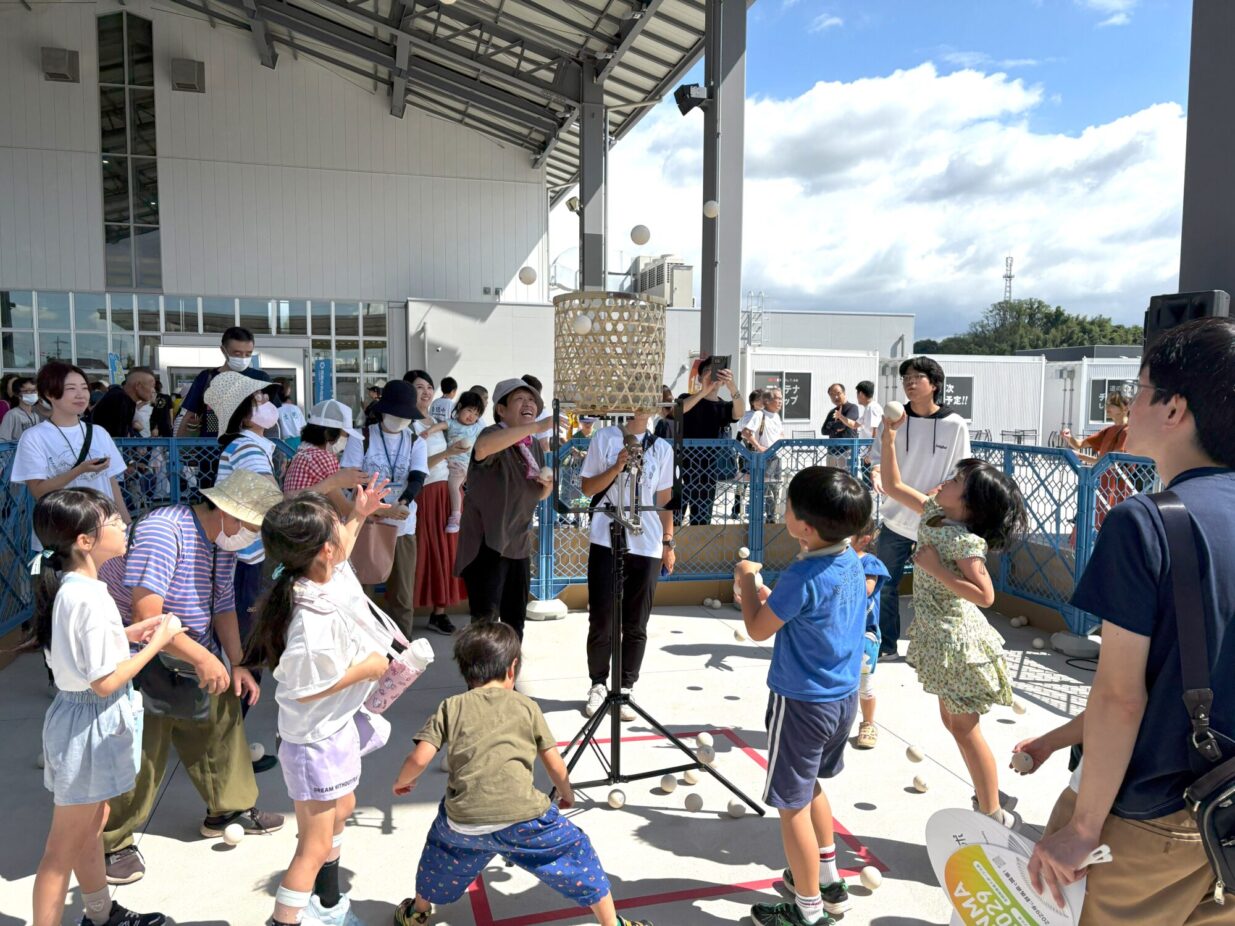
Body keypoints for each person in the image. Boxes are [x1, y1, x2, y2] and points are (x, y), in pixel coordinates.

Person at [1029, 318, 1235, 923]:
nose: (1129, 408)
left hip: (1154, 819)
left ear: (1174, 408)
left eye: (1138, 390)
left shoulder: (1147, 520)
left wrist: (1083, 827)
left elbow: (1121, 696)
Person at [390, 622, 653, 926]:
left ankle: (417, 913)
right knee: (576, 852)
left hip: (463, 823)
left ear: (465, 672)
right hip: (525, 822)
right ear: (513, 668)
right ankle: (612, 924)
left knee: (440, 851)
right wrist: (566, 794)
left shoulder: (451, 706)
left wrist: (403, 782)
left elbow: (419, 757)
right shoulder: (527, 706)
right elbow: (554, 763)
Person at [99, 470, 286, 885]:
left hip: (190, 643)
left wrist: (236, 662)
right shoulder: (164, 532)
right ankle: (113, 841)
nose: (256, 537)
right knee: (141, 750)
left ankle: (228, 810)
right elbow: (147, 616)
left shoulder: (223, 542)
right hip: (140, 652)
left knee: (221, 721)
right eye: (254, 526)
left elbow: (222, 606)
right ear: (230, 514)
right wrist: (203, 658)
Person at [30, 488, 183, 926]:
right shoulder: (90, 598)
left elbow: (80, 654)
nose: (122, 524)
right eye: (112, 521)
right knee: (60, 851)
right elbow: (105, 682)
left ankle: (100, 914)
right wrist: (158, 641)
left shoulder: (74, 588)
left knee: (92, 824)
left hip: (80, 720)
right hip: (89, 726)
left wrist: (129, 633)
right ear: (84, 541)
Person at [244, 486, 393, 926]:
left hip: (333, 729)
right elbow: (302, 689)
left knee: (342, 810)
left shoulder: (325, 573)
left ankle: (327, 901)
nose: (344, 534)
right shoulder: (312, 619)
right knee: (314, 845)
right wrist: (365, 670)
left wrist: (360, 514)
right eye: (337, 527)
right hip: (314, 743)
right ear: (324, 549)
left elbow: (344, 545)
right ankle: (287, 919)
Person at [733, 466, 872, 925]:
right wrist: (769, 595)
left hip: (801, 704)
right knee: (810, 786)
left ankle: (808, 911)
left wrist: (747, 582)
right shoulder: (851, 561)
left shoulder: (803, 573)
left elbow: (758, 629)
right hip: (841, 700)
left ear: (806, 528)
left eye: (789, 506)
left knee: (790, 806)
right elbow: (811, 612)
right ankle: (828, 881)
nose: (785, 510)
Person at [879, 414, 1027, 825]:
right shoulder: (933, 513)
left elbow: (985, 595)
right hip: (938, 633)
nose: (947, 480)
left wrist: (936, 570)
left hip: (957, 641)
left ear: (970, 505)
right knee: (954, 723)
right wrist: (888, 438)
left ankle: (993, 813)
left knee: (964, 728)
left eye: (957, 481)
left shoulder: (962, 540)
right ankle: (989, 793)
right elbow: (893, 486)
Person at [868, 357, 971, 659]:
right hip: (895, 519)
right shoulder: (893, 421)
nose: (909, 382)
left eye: (917, 377)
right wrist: (876, 473)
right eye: (906, 378)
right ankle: (886, 645)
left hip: (936, 520)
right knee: (886, 585)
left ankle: (931, 649)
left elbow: (961, 471)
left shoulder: (955, 424)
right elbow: (876, 459)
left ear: (935, 384)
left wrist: (935, 494)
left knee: (936, 588)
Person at [579, 408, 675, 721]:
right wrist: (617, 465)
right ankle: (598, 683)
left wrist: (668, 542)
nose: (643, 406)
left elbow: (664, 499)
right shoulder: (605, 438)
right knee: (602, 617)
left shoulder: (662, 447)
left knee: (637, 621)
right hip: (607, 538)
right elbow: (588, 488)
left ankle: (626, 687)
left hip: (647, 542)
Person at [454, 378, 553, 641]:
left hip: (518, 543)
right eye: (520, 399)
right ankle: (481, 669)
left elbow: (538, 495)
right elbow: (483, 449)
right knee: (485, 625)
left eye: (532, 400)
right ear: (501, 409)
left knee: (515, 621)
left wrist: (547, 486)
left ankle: (510, 668)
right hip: (487, 543)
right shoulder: (491, 435)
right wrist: (538, 426)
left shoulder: (532, 446)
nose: (528, 404)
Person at [14, 362, 131, 550]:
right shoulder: (34, 437)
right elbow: (38, 491)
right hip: (61, 536)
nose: (81, 394)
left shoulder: (99, 433)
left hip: (105, 534)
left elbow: (112, 484)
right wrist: (79, 470)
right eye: (71, 388)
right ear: (50, 394)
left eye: (84, 388)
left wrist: (127, 525)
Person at [208, 372, 283, 660]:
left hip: (245, 554)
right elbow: (272, 500)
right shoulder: (247, 448)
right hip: (243, 557)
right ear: (242, 413)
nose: (266, 401)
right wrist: (332, 484)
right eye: (257, 398)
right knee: (245, 639)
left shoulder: (247, 446)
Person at [360, 380, 428, 639]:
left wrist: (404, 502)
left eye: (405, 415)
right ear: (383, 411)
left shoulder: (415, 441)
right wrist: (380, 509)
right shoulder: (363, 437)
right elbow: (354, 478)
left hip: (403, 525)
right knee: (362, 593)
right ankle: (364, 646)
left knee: (402, 595)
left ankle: (401, 649)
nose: (400, 419)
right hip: (367, 524)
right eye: (396, 413)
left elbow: (417, 476)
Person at [407, 370, 469, 635]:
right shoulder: (408, 425)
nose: (426, 392)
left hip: (448, 491)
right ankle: (406, 613)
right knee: (425, 552)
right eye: (419, 387)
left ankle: (439, 612)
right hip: (426, 492)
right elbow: (416, 466)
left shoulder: (436, 421)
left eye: (429, 387)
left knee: (446, 553)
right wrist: (447, 453)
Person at [677, 357, 745, 525]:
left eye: (718, 372)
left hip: (708, 471)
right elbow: (678, 411)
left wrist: (732, 386)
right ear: (700, 377)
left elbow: (739, 413)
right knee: (674, 518)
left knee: (701, 519)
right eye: (709, 371)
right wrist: (703, 391)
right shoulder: (687, 398)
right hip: (682, 467)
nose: (713, 376)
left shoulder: (724, 406)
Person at [176, 326, 273, 437]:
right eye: (237, 354)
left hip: (248, 445)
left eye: (248, 354)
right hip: (211, 445)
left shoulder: (261, 379)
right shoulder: (206, 378)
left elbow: (273, 420)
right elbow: (189, 416)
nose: (243, 358)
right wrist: (179, 446)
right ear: (223, 350)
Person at [1062, 390, 1134, 531]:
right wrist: (1068, 437)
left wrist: (1081, 456)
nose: (1107, 407)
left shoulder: (1127, 431)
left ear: (1125, 408)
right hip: (1105, 483)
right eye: (1107, 403)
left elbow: (1111, 461)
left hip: (1115, 486)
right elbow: (1079, 444)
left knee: (1103, 524)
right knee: (1098, 523)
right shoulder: (1109, 430)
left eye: (1112, 404)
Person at [282, 399, 366, 516]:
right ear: (328, 434)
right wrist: (381, 510)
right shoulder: (323, 458)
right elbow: (343, 508)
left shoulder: (302, 452)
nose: (346, 440)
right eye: (345, 435)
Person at [851, 520, 889, 750]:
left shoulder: (869, 562)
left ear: (864, 539)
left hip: (865, 634)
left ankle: (868, 723)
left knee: (864, 685)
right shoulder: (833, 559)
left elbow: (867, 589)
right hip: (840, 632)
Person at [445, 391, 486, 534]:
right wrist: (427, 432)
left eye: (476, 414)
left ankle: (456, 516)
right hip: (452, 464)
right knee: (461, 490)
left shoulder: (477, 428)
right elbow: (441, 426)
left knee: (453, 486)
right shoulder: (451, 423)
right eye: (469, 410)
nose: (472, 416)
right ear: (460, 407)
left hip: (463, 465)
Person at [89, 368, 156, 439]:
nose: (153, 390)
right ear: (138, 386)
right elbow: (118, 438)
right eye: (152, 386)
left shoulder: (122, 398)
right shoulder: (119, 399)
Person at [0, 375, 43, 441]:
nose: (32, 394)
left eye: (34, 391)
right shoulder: (12, 414)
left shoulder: (35, 415)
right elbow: (3, 440)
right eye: (26, 391)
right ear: (18, 394)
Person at [275, 379, 306, 447]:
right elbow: (304, 427)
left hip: (283, 444)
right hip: (299, 442)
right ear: (288, 390)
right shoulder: (296, 408)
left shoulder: (275, 410)